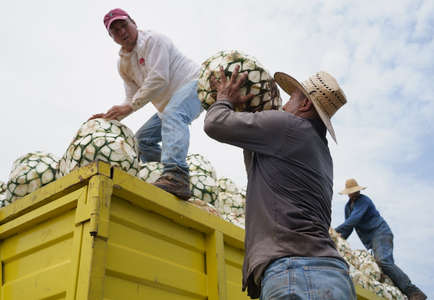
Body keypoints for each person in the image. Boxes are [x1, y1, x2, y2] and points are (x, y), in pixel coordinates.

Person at [204, 65, 355, 299]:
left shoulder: (288, 127)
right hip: (332, 277)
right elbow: (261, 173)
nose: (283, 106)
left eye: (291, 99)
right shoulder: (320, 151)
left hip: (297, 272)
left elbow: (215, 123)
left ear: (305, 105)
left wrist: (224, 98)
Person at [90, 8, 202, 200]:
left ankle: (177, 176)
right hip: (167, 107)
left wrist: (130, 106)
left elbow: (159, 78)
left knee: (173, 114)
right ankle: (169, 173)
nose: (122, 32)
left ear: (133, 22)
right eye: (115, 31)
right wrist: (112, 116)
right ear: (111, 37)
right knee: (141, 141)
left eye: (123, 25)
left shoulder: (154, 40)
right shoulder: (123, 64)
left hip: (194, 85)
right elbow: (131, 98)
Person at [335, 178, 427, 300]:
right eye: (351, 192)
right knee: (383, 268)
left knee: (384, 261)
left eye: (355, 191)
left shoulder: (364, 201)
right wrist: (337, 242)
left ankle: (413, 291)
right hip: (372, 239)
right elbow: (348, 228)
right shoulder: (348, 207)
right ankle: (399, 294)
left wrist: (333, 232)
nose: (354, 193)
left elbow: (353, 220)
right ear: (348, 193)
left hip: (381, 233)